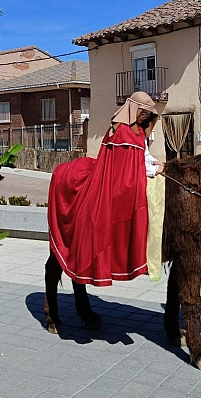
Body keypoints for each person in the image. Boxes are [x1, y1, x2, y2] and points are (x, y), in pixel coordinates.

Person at [48, 91, 163, 286]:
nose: (145, 117)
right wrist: (153, 170)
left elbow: (143, 156)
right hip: (119, 182)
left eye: (147, 114)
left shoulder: (137, 131)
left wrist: (156, 164)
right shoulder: (122, 132)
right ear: (134, 109)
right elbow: (128, 168)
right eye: (143, 112)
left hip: (133, 175)